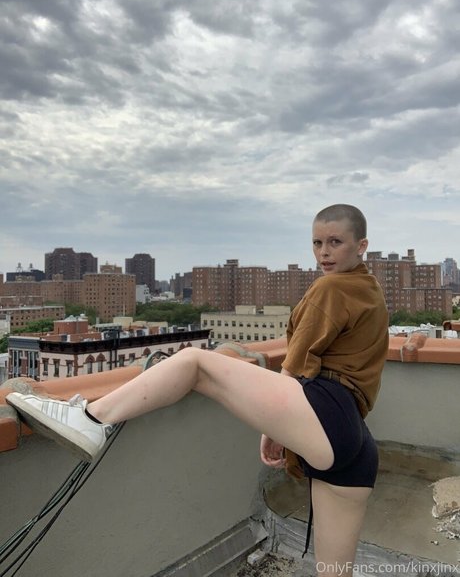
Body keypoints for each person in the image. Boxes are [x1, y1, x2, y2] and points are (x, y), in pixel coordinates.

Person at [6, 204, 389, 577]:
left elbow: (296, 362)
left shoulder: (331, 288)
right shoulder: (370, 289)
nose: (324, 253)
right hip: (356, 442)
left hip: (326, 415)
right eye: (317, 243)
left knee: (195, 362)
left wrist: (274, 427)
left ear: (361, 245)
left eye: (335, 242)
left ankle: (91, 419)